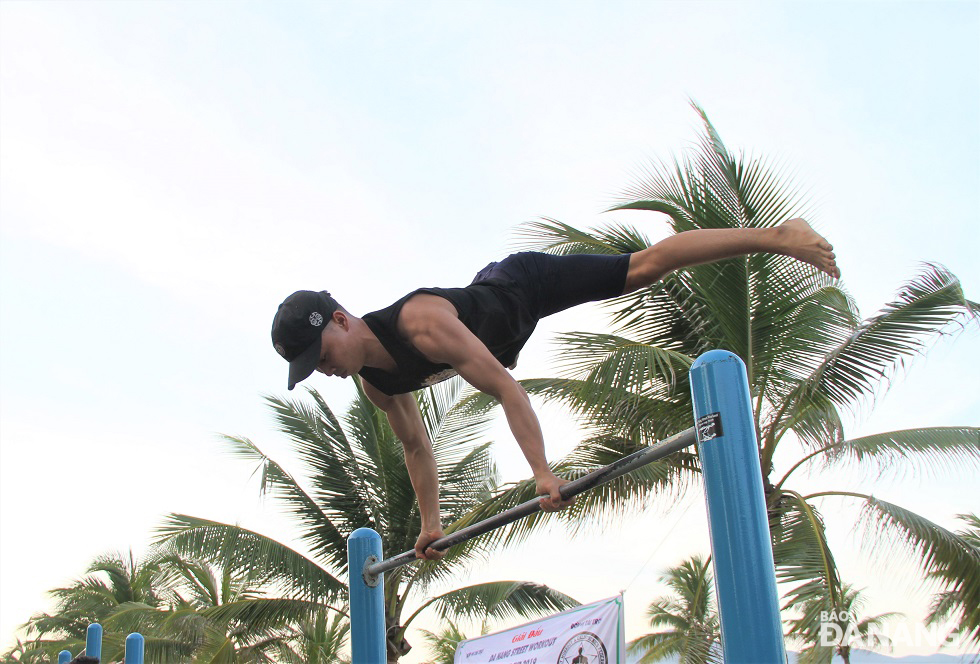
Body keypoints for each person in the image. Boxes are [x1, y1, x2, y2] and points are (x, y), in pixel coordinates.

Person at [271, 219, 839, 561]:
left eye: (321, 356)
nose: (324, 370)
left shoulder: (421, 322)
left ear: (341, 320)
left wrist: (543, 473)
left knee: (643, 269)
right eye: (311, 369)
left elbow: (506, 390)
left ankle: (778, 238)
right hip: (498, 320)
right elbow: (417, 449)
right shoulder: (378, 386)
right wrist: (430, 525)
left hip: (522, 286)